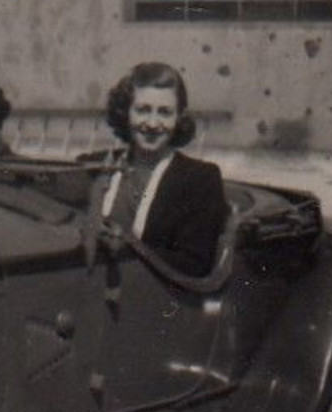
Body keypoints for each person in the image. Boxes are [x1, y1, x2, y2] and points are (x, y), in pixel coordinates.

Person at [87, 61, 228, 278]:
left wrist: (127, 249)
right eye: (143, 110)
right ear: (125, 112)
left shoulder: (200, 179)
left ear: (179, 117)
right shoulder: (93, 166)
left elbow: (195, 264)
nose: (153, 123)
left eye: (164, 112)